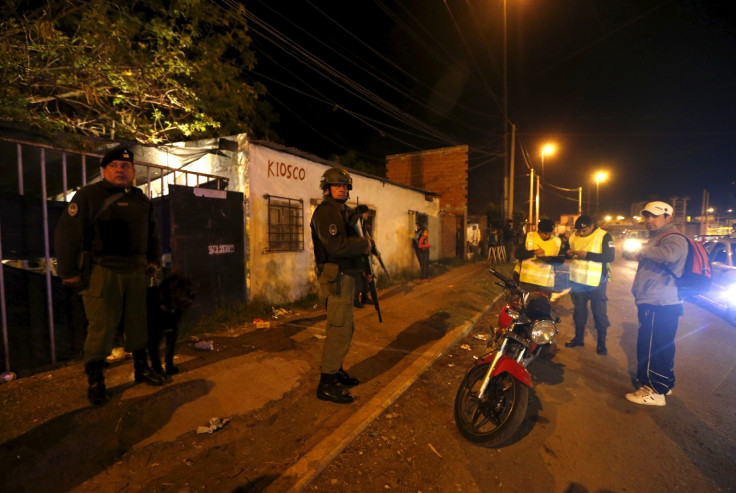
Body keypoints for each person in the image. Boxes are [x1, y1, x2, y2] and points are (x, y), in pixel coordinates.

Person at [54, 145, 165, 406]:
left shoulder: (141, 199)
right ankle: (96, 381)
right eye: (113, 166)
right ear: (104, 170)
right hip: (103, 271)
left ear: (133, 171)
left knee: (138, 324)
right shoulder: (89, 195)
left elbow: (153, 234)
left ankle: (141, 369)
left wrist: (154, 260)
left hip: (136, 271)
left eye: (125, 166)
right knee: (101, 328)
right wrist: (68, 271)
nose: (120, 170)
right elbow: (67, 235)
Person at [310, 167, 372, 404]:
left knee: (345, 327)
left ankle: (335, 369)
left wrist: (364, 272)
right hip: (336, 277)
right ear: (327, 188)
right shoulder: (326, 212)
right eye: (337, 185)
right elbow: (337, 246)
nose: (342, 189)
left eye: (345, 186)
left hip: (347, 275)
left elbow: (349, 247)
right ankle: (326, 382)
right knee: (338, 328)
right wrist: (363, 245)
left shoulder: (341, 211)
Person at [626, 201, 687, 406]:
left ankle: (653, 391)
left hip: (659, 302)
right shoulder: (660, 237)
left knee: (652, 346)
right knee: (662, 346)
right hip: (658, 301)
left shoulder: (673, 237)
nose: (649, 220)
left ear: (668, 218)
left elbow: (670, 254)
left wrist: (643, 251)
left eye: (654, 216)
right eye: (647, 216)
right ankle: (664, 384)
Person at [564, 215, 615, 355]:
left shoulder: (604, 236)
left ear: (592, 226)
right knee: (579, 312)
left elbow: (610, 257)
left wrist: (588, 255)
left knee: (599, 312)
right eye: (579, 231)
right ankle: (579, 339)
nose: (580, 233)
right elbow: (565, 252)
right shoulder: (574, 236)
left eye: (584, 231)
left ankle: (601, 344)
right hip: (578, 280)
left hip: (596, 281)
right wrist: (568, 253)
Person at [513, 218, 562, 296]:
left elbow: (560, 260)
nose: (548, 236)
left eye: (550, 233)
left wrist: (551, 259)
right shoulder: (530, 237)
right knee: (527, 306)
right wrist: (533, 252)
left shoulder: (557, 241)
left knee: (543, 307)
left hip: (545, 284)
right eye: (546, 233)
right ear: (540, 231)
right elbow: (518, 254)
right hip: (528, 282)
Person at [353, 204, 376, 308]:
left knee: (367, 275)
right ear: (363, 213)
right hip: (357, 255)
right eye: (367, 213)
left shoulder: (363, 225)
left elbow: (367, 238)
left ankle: (365, 296)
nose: (368, 215)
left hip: (364, 255)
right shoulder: (355, 224)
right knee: (358, 277)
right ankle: (355, 298)